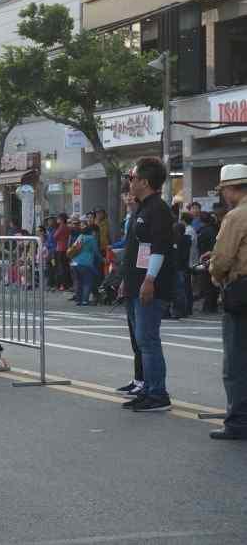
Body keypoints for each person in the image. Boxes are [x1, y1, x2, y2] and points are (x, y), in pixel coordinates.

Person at [120, 157, 176, 413]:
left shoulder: (159, 209)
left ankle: (158, 394)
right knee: (141, 341)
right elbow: (135, 250)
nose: (129, 183)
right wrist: (126, 281)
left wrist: (149, 280)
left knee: (148, 340)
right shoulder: (141, 208)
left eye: (132, 178)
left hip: (150, 285)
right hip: (135, 283)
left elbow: (158, 248)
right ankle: (146, 388)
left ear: (144, 181)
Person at [204, 164, 247, 440]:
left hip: (241, 289)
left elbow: (222, 259)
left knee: (236, 360)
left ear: (231, 189)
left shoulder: (236, 216)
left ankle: (239, 421)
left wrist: (215, 275)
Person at [70, 224, 100, 306]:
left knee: (78, 282)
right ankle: (85, 300)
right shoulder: (92, 239)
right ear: (92, 232)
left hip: (74, 262)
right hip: (85, 263)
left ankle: (78, 300)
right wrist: (102, 259)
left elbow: (73, 247)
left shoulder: (80, 237)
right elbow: (96, 251)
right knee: (87, 282)